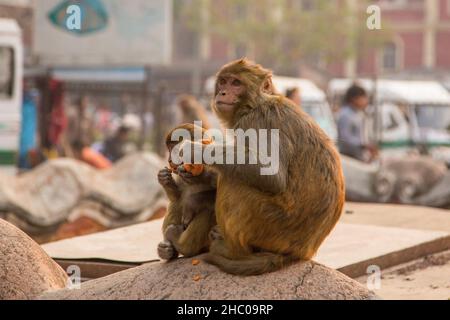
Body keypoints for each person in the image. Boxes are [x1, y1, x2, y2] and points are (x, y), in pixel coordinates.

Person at [337, 84, 378, 162]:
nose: (366, 101)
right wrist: (363, 145)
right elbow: (345, 138)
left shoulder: (359, 113)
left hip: (359, 156)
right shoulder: (345, 115)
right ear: (354, 99)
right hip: (349, 157)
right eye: (363, 98)